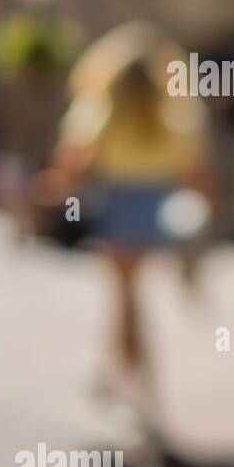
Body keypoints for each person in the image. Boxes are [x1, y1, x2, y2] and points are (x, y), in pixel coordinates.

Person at [50, 22, 212, 420]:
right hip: (156, 208)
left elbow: (74, 157)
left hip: (118, 206)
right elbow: (196, 170)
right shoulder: (172, 114)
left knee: (126, 297)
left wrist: (56, 186)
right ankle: (118, 372)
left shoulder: (103, 111)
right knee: (128, 296)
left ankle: (136, 383)